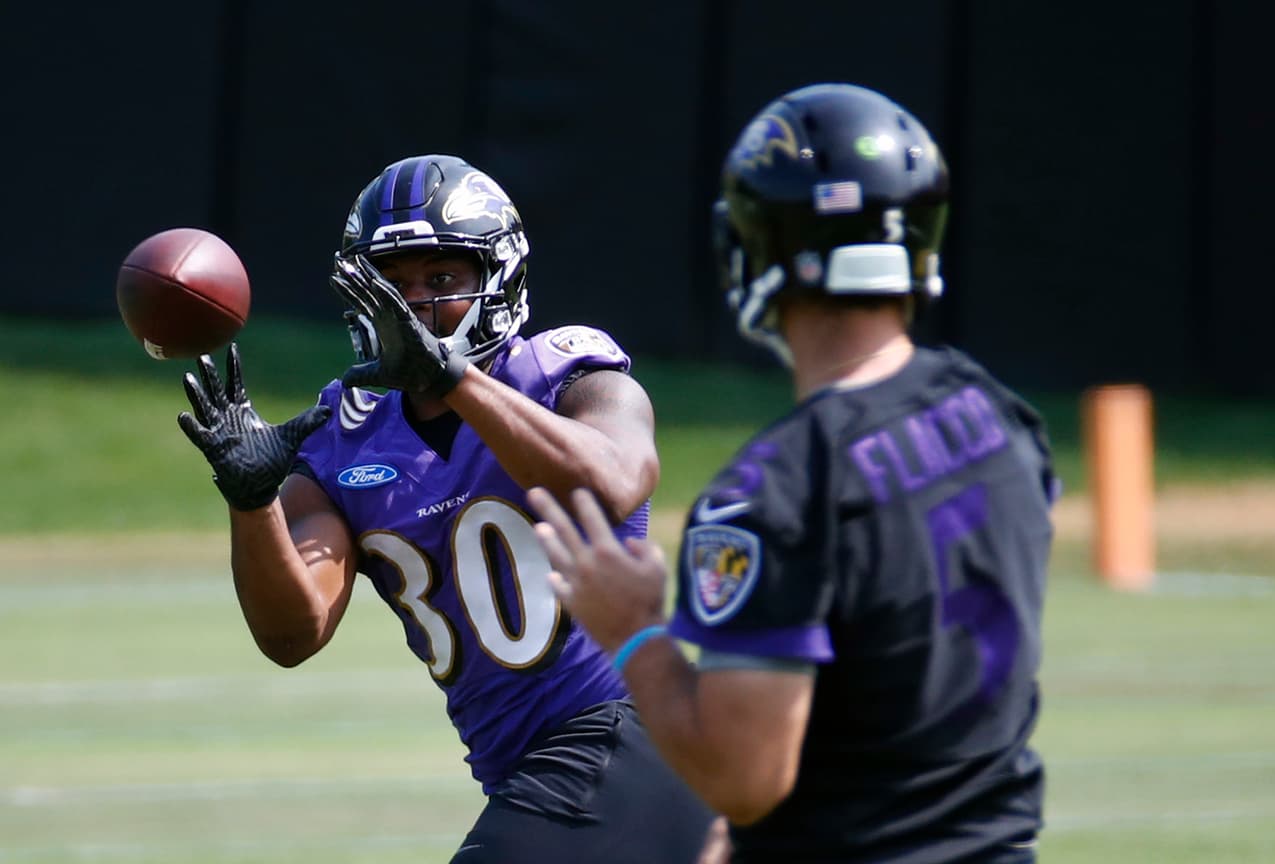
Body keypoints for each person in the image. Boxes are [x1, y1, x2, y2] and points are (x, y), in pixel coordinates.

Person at [527, 83, 1057, 863]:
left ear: (757, 244)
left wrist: (634, 630)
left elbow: (746, 780)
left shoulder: (774, 492)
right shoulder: (996, 411)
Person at [176, 154, 719, 863]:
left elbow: (612, 482)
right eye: (392, 284)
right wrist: (251, 504)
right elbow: (293, 632)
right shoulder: (345, 435)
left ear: (499, 279)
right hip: (533, 773)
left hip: (628, 731)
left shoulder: (566, 375)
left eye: (441, 280)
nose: (412, 306)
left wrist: (453, 378)